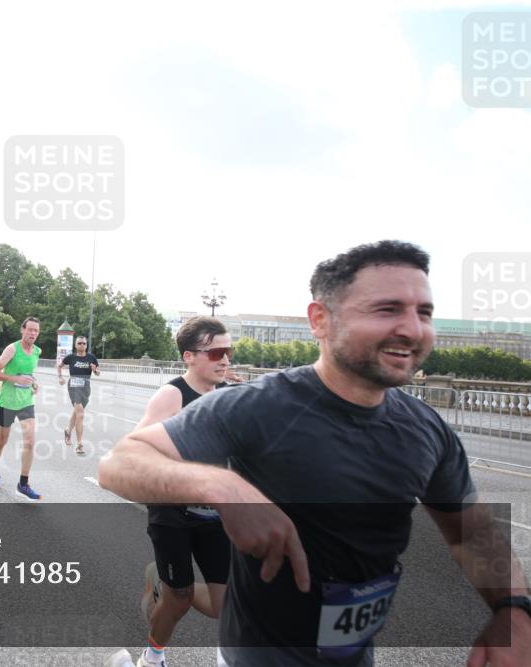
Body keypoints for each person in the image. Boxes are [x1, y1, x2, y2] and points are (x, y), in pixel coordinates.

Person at [98, 241, 531, 667]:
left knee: (213, 598)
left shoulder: (428, 428)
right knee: (187, 595)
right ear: (320, 320)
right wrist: (220, 484)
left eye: (424, 313)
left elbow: (471, 535)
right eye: (386, 309)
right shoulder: (256, 405)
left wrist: (513, 610)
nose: (412, 329)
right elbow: (119, 464)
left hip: (353, 657)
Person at [134, 317, 234, 667]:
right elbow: (135, 450)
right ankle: (152, 656)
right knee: (179, 599)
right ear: (189, 356)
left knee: (226, 603)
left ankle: (164, 584)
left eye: (229, 351)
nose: (225, 359)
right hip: (172, 513)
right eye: (217, 352)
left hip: (214, 515)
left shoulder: (227, 396)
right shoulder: (172, 395)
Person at [0, 317, 42, 501]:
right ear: (23, 330)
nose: (33, 333)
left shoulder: (37, 351)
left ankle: (23, 484)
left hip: (26, 402)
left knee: (30, 441)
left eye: (36, 330)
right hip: (8, 402)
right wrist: (14, 379)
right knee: (2, 440)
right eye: (30, 330)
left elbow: (28, 374)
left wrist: (34, 383)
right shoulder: (12, 349)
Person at [57, 335, 100, 456]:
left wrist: (95, 370)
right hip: (74, 386)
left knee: (77, 412)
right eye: (79, 343)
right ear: (75, 345)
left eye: (84, 343)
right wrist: (60, 377)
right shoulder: (71, 357)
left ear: (86, 345)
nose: (82, 345)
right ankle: (79, 444)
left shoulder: (91, 357)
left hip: (86, 387)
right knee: (80, 413)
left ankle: (68, 431)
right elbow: (60, 366)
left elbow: (98, 373)